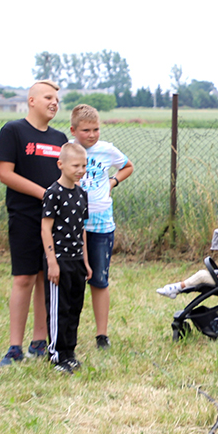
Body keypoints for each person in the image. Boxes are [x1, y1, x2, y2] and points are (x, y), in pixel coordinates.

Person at [0, 80, 69, 367]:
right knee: (24, 278)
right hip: (25, 217)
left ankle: (39, 342)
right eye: (48, 97)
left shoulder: (60, 138)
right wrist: (44, 194)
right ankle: (14, 347)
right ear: (32, 101)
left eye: (57, 100)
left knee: (45, 278)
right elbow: (6, 174)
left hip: (53, 221)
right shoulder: (13, 131)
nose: (54, 103)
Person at [70, 104, 134, 351]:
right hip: (74, 223)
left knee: (99, 279)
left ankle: (102, 334)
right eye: (86, 130)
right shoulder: (68, 150)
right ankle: (69, 331)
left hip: (101, 224)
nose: (92, 135)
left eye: (96, 129)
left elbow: (128, 166)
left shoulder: (106, 150)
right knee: (73, 280)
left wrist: (113, 181)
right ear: (74, 130)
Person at [40, 141, 91, 374]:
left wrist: (85, 261)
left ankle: (69, 352)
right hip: (59, 260)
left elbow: (82, 229)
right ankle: (56, 355)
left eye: (84, 165)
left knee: (74, 308)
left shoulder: (82, 194)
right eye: (75, 166)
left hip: (76, 260)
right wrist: (52, 262)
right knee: (58, 309)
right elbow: (45, 229)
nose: (80, 170)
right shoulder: (53, 194)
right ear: (60, 165)